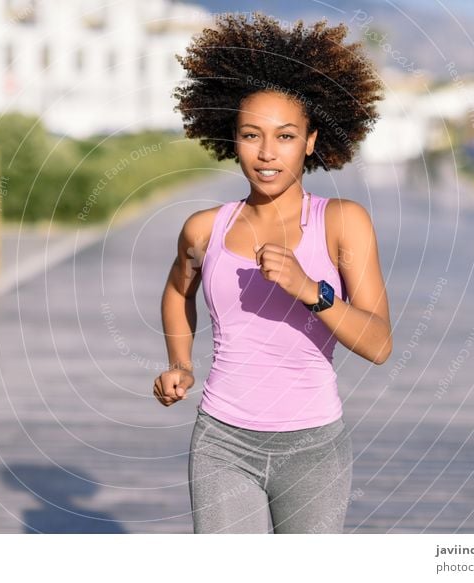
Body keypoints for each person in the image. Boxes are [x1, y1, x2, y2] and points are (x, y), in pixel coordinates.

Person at [153, 12, 392, 534]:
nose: (266, 153)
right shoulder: (203, 229)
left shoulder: (342, 223)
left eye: (285, 136)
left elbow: (378, 345)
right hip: (222, 441)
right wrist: (181, 362)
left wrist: (311, 290)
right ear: (231, 139)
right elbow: (177, 292)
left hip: (314, 446)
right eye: (250, 135)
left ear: (310, 141)